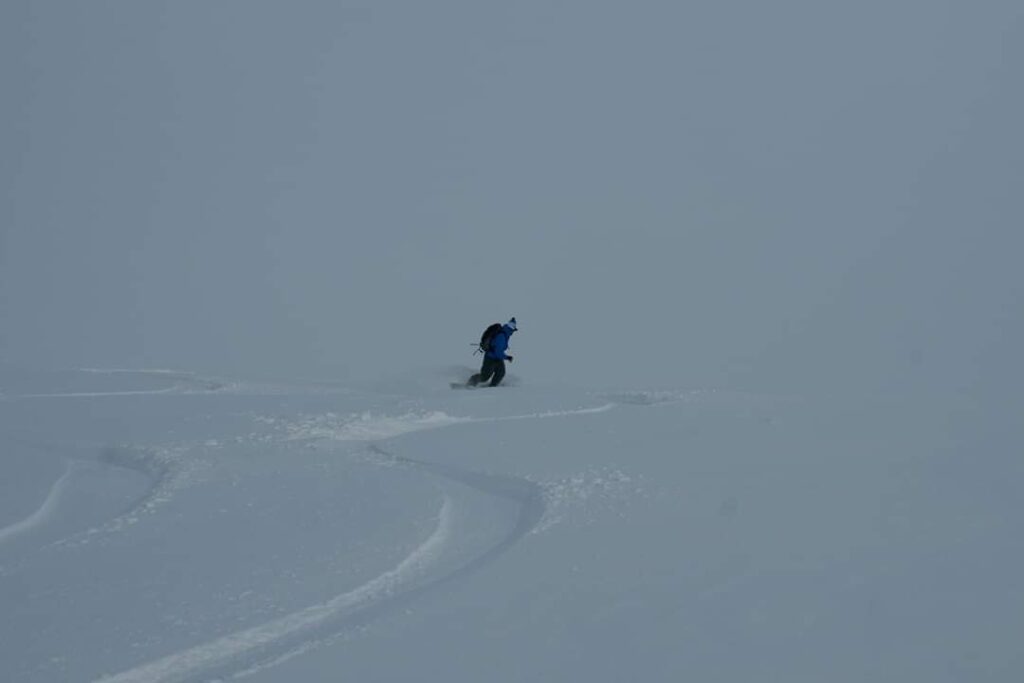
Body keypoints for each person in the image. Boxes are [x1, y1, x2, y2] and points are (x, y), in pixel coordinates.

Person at [469, 317, 517, 387]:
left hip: (497, 358)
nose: (513, 332)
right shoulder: (502, 336)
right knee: (484, 377)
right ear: (511, 329)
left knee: (500, 373)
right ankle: (469, 384)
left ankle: (492, 387)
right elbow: (498, 352)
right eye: (513, 330)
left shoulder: (505, 334)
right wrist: (507, 357)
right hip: (490, 358)